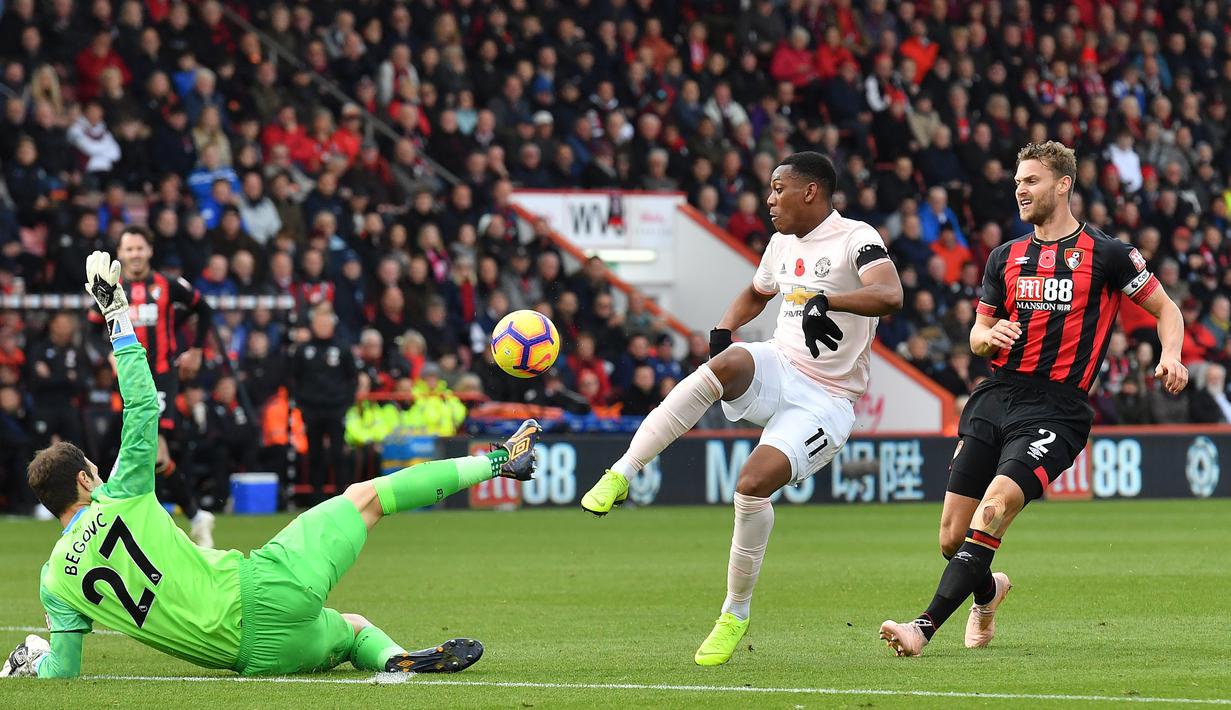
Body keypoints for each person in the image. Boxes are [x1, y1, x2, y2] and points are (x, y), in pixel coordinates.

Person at [1, 250, 542, 679]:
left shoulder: (53, 582)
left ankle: (391, 660)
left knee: (352, 629)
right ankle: (500, 462)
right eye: (94, 470)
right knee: (367, 497)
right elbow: (143, 404)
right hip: (262, 588)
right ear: (84, 479)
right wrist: (116, 314)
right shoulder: (120, 495)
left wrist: (34, 659)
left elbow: (64, 671)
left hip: (253, 657)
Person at [580, 152, 903, 666]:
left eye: (778, 188)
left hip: (827, 399)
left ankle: (734, 613)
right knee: (727, 362)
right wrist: (723, 328)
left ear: (810, 192)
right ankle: (622, 473)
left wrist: (828, 300)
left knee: (750, 485)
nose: (769, 199)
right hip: (781, 366)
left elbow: (889, 294)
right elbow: (758, 291)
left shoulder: (855, 238)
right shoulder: (780, 244)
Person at [878, 141, 1187, 657]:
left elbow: (1166, 309)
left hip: (1056, 409)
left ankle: (922, 628)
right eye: (1018, 181)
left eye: (1031, 181)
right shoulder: (1005, 256)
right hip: (995, 397)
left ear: (1063, 185)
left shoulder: (1108, 254)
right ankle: (988, 593)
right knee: (953, 538)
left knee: (995, 507)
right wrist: (987, 337)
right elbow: (978, 333)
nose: (1020, 189)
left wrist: (1171, 354)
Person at [110, 225, 217, 548]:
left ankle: (120, 521)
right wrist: (107, 354)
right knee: (154, 455)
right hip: (128, 379)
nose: (135, 254)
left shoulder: (168, 284)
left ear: (150, 251)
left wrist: (195, 350)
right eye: (129, 249)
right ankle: (196, 516)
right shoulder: (113, 289)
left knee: (150, 448)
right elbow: (90, 328)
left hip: (159, 377)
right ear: (120, 253)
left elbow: (204, 308)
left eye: (139, 248)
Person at [290, 304, 358, 505]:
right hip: (312, 410)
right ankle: (316, 500)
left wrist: (345, 404)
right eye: (319, 322)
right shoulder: (303, 350)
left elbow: (352, 378)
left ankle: (342, 499)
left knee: (338, 454)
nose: (323, 326)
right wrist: (302, 405)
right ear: (313, 324)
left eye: (326, 322)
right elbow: (294, 378)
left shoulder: (342, 348)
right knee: (315, 455)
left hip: (336, 409)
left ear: (332, 324)